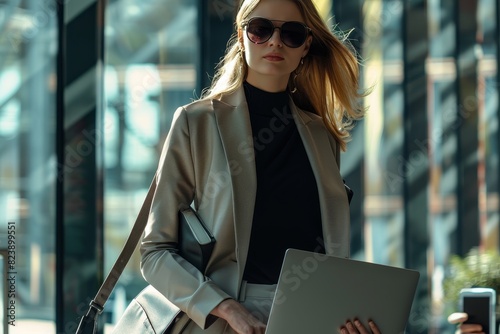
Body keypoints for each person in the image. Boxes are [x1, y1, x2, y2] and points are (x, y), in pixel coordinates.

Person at [140, 0, 379, 333]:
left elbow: (327, 251)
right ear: (241, 35)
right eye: (261, 29)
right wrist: (227, 308)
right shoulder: (197, 123)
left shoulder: (320, 135)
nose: (275, 42)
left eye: (292, 34)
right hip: (222, 319)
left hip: (310, 318)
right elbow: (155, 252)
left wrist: (346, 317)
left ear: (307, 45)